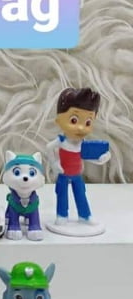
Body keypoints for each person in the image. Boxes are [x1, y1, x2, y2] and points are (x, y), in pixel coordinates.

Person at [46, 87, 110, 225]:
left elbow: (88, 156)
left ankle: (85, 215)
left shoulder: (82, 144)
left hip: (77, 175)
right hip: (63, 174)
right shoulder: (61, 140)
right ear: (59, 120)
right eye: (74, 120)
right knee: (62, 194)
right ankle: (62, 215)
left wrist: (101, 159)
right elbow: (49, 148)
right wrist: (54, 163)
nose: (81, 128)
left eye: (88, 122)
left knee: (81, 194)